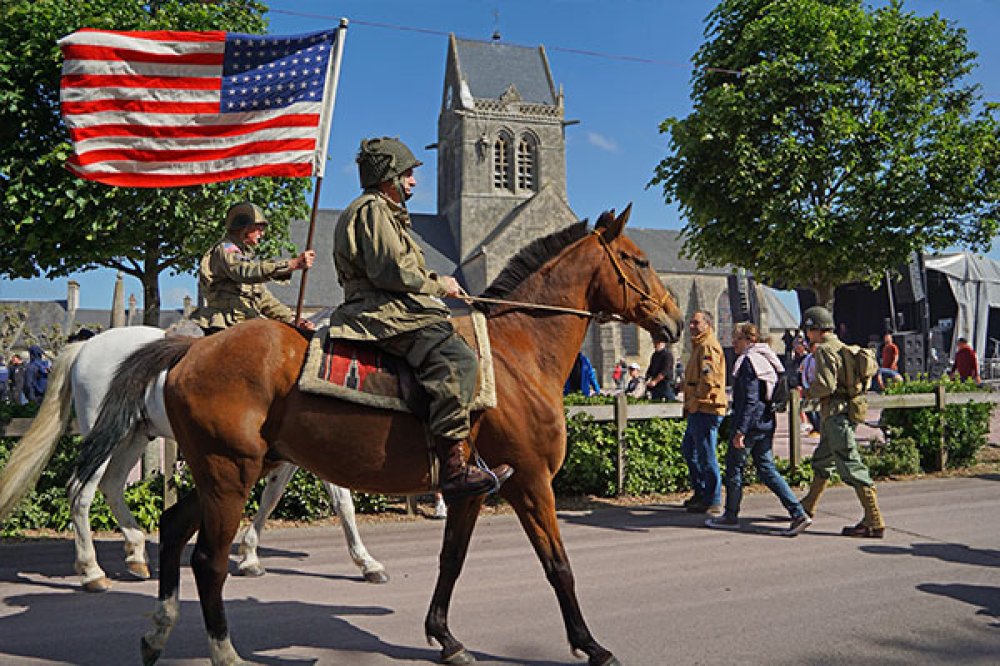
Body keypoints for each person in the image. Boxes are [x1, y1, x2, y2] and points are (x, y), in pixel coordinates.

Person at [327, 136, 512, 503]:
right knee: (457, 360)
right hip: (382, 312)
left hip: (395, 306)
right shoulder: (373, 210)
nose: (413, 181)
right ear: (388, 177)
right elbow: (390, 272)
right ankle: (454, 469)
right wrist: (438, 284)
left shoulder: (387, 213)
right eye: (408, 174)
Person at [705, 323, 812, 536]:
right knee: (767, 469)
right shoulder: (767, 358)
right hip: (766, 421)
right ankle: (797, 512)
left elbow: (750, 400)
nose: (733, 343)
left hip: (750, 424)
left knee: (735, 468)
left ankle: (730, 515)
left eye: (737, 339)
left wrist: (740, 431)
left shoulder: (748, 362)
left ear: (748, 341)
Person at [798, 306, 885, 538]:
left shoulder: (825, 351)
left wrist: (807, 391)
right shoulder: (843, 347)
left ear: (814, 329)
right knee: (822, 460)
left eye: (808, 330)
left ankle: (873, 519)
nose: (807, 335)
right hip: (842, 413)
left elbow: (825, 385)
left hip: (836, 415)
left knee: (850, 464)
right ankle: (806, 507)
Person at [190, 201, 316, 335]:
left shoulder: (244, 258)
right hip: (225, 326)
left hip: (248, 323)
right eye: (259, 228)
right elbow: (243, 271)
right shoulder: (226, 249)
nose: (262, 234)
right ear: (245, 228)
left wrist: (293, 320)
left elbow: (265, 300)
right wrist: (290, 264)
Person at [680, 310, 727, 515]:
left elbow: (709, 381)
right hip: (697, 408)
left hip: (706, 408)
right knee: (690, 450)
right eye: (690, 323)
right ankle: (701, 493)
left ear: (707, 324)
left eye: (696, 323)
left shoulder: (708, 346)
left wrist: (695, 401)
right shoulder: (698, 345)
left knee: (706, 455)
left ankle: (713, 499)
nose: (692, 326)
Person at [800, 340, 822, 435]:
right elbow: (802, 370)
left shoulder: (821, 359)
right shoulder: (808, 358)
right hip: (807, 385)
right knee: (807, 408)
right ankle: (815, 426)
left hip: (818, 386)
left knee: (817, 409)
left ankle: (818, 428)